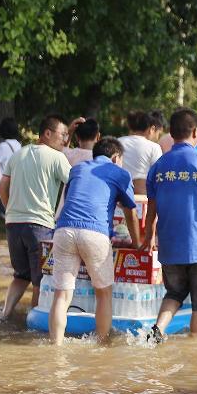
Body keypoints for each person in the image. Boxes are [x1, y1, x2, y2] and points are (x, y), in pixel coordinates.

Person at [141, 108, 197, 340]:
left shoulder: (158, 167)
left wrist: (149, 237)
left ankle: (158, 329)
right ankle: (195, 350)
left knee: (174, 293)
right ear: (195, 132)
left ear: (171, 132)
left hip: (170, 244)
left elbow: (151, 212)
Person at [49, 137, 141, 345]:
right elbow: (131, 212)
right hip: (95, 233)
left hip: (63, 230)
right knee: (103, 293)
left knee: (61, 295)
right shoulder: (120, 173)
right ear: (116, 157)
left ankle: (55, 346)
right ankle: (102, 344)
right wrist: (137, 243)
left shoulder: (77, 169)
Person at [0, 114, 73, 318]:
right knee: (41, 280)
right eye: (62, 134)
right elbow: (76, 182)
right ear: (47, 133)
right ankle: (32, 323)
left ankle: (4, 316)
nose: (65, 140)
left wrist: (10, 210)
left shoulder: (18, 154)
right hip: (40, 226)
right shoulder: (57, 158)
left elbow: (1, 186)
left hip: (13, 224)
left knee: (20, 276)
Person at [119, 110, 163, 195]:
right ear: (150, 129)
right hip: (143, 198)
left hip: (120, 196)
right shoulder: (154, 147)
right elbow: (158, 175)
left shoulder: (117, 143)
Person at [0, 117, 21, 213]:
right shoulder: (19, 145)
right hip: (17, 185)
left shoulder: (3, 146)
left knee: (6, 215)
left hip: (4, 187)